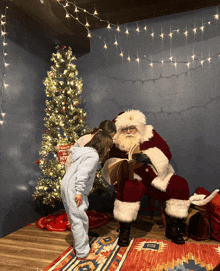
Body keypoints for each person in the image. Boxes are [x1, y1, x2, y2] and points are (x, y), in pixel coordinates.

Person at [102, 109, 219, 246]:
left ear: (138, 127)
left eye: (132, 128)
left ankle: (172, 227)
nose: (128, 132)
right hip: (132, 178)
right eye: (125, 129)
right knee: (128, 188)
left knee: (179, 184)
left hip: (155, 177)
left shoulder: (150, 133)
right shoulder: (115, 142)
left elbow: (166, 152)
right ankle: (125, 230)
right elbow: (107, 162)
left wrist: (150, 156)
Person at [61, 130, 113, 261]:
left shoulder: (85, 152)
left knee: (76, 218)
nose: (107, 150)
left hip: (67, 185)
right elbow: (83, 173)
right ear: (102, 145)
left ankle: (80, 244)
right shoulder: (93, 156)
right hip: (74, 189)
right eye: (107, 147)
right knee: (79, 220)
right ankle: (83, 253)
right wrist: (78, 192)